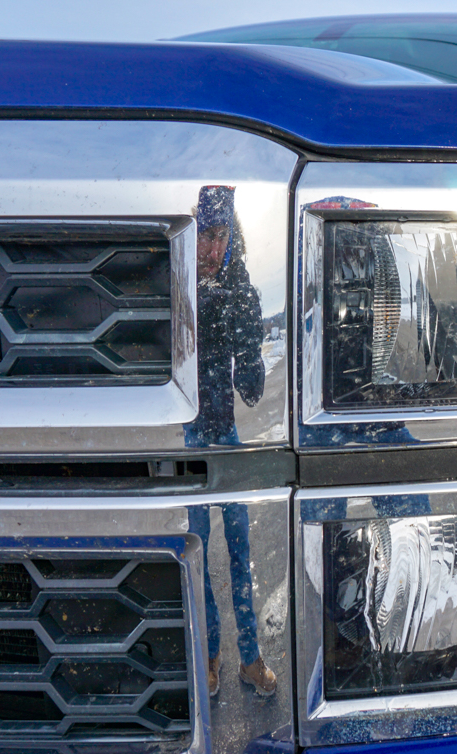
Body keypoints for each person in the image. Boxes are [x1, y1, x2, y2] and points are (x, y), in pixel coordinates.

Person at [185, 185, 276, 698]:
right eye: (203, 236)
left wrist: (249, 334)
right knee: (199, 553)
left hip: (228, 433)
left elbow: (251, 387)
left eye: (219, 236)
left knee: (241, 553)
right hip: (192, 438)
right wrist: (197, 300)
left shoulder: (237, 286)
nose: (210, 249)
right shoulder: (179, 289)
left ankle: (250, 659)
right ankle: (212, 655)